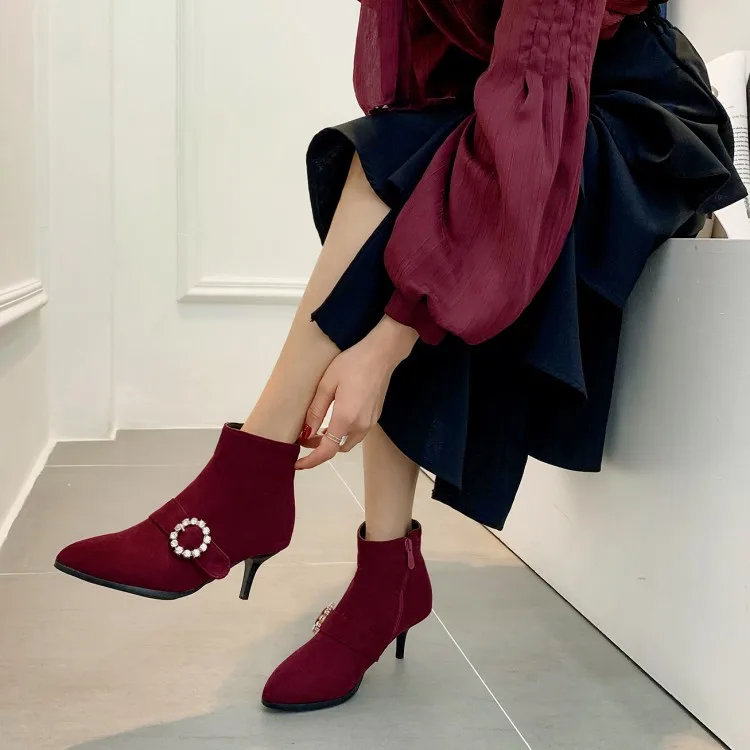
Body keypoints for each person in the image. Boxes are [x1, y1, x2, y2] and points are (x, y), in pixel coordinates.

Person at [54, 0, 745, 713]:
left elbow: (531, 115)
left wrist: (391, 339)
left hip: (633, 122)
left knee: (404, 167)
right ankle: (374, 562)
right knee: (397, 157)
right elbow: (415, 94)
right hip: (510, 109)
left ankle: (264, 489)